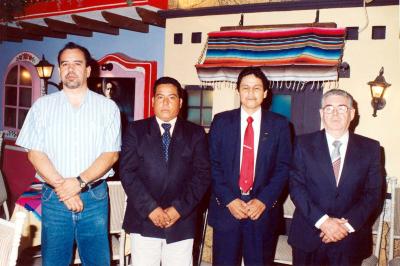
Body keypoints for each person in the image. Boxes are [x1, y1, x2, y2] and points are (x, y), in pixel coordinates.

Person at [16, 42, 121, 266]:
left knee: (97, 262)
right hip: (54, 198)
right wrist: (65, 188)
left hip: (94, 198)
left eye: (77, 64)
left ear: (88, 70)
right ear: (60, 69)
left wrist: (79, 182)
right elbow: (35, 153)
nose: (70, 69)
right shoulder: (41, 107)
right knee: (54, 261)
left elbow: (110, 155)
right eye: (65, 64)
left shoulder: (108, 108)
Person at [119, 76, 210, 266]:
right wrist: (151, 208)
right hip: (144, 217)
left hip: (181, 220)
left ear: (181, 102)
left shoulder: (196, 133)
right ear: (153, 101)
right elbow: (127, 173)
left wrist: (179, 209)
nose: (166, 103)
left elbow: (202, 176)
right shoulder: (136, 130)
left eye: (171, 97)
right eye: (160, 97)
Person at [288, 89, 384, 265]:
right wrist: (324, 222)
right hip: (309, 236)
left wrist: (344, 227)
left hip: (350, 241)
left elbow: (373, 195)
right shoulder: (302, 144)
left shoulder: (371, 148)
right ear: (321, 113)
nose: (335, 113)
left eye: (342, 108)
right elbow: (296, 187)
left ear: (352, 113)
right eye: (329, 108)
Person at [208, 66, 292, 265]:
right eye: (245, 87)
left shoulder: (280, 125)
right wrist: (229, 199)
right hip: (227, 211)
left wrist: (263, 200)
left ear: (265, 93)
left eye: (256, 88)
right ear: (238, 91)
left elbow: (284, 167)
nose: (250, 93)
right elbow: (212, 163)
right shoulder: (221, 122)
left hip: (262, 213)